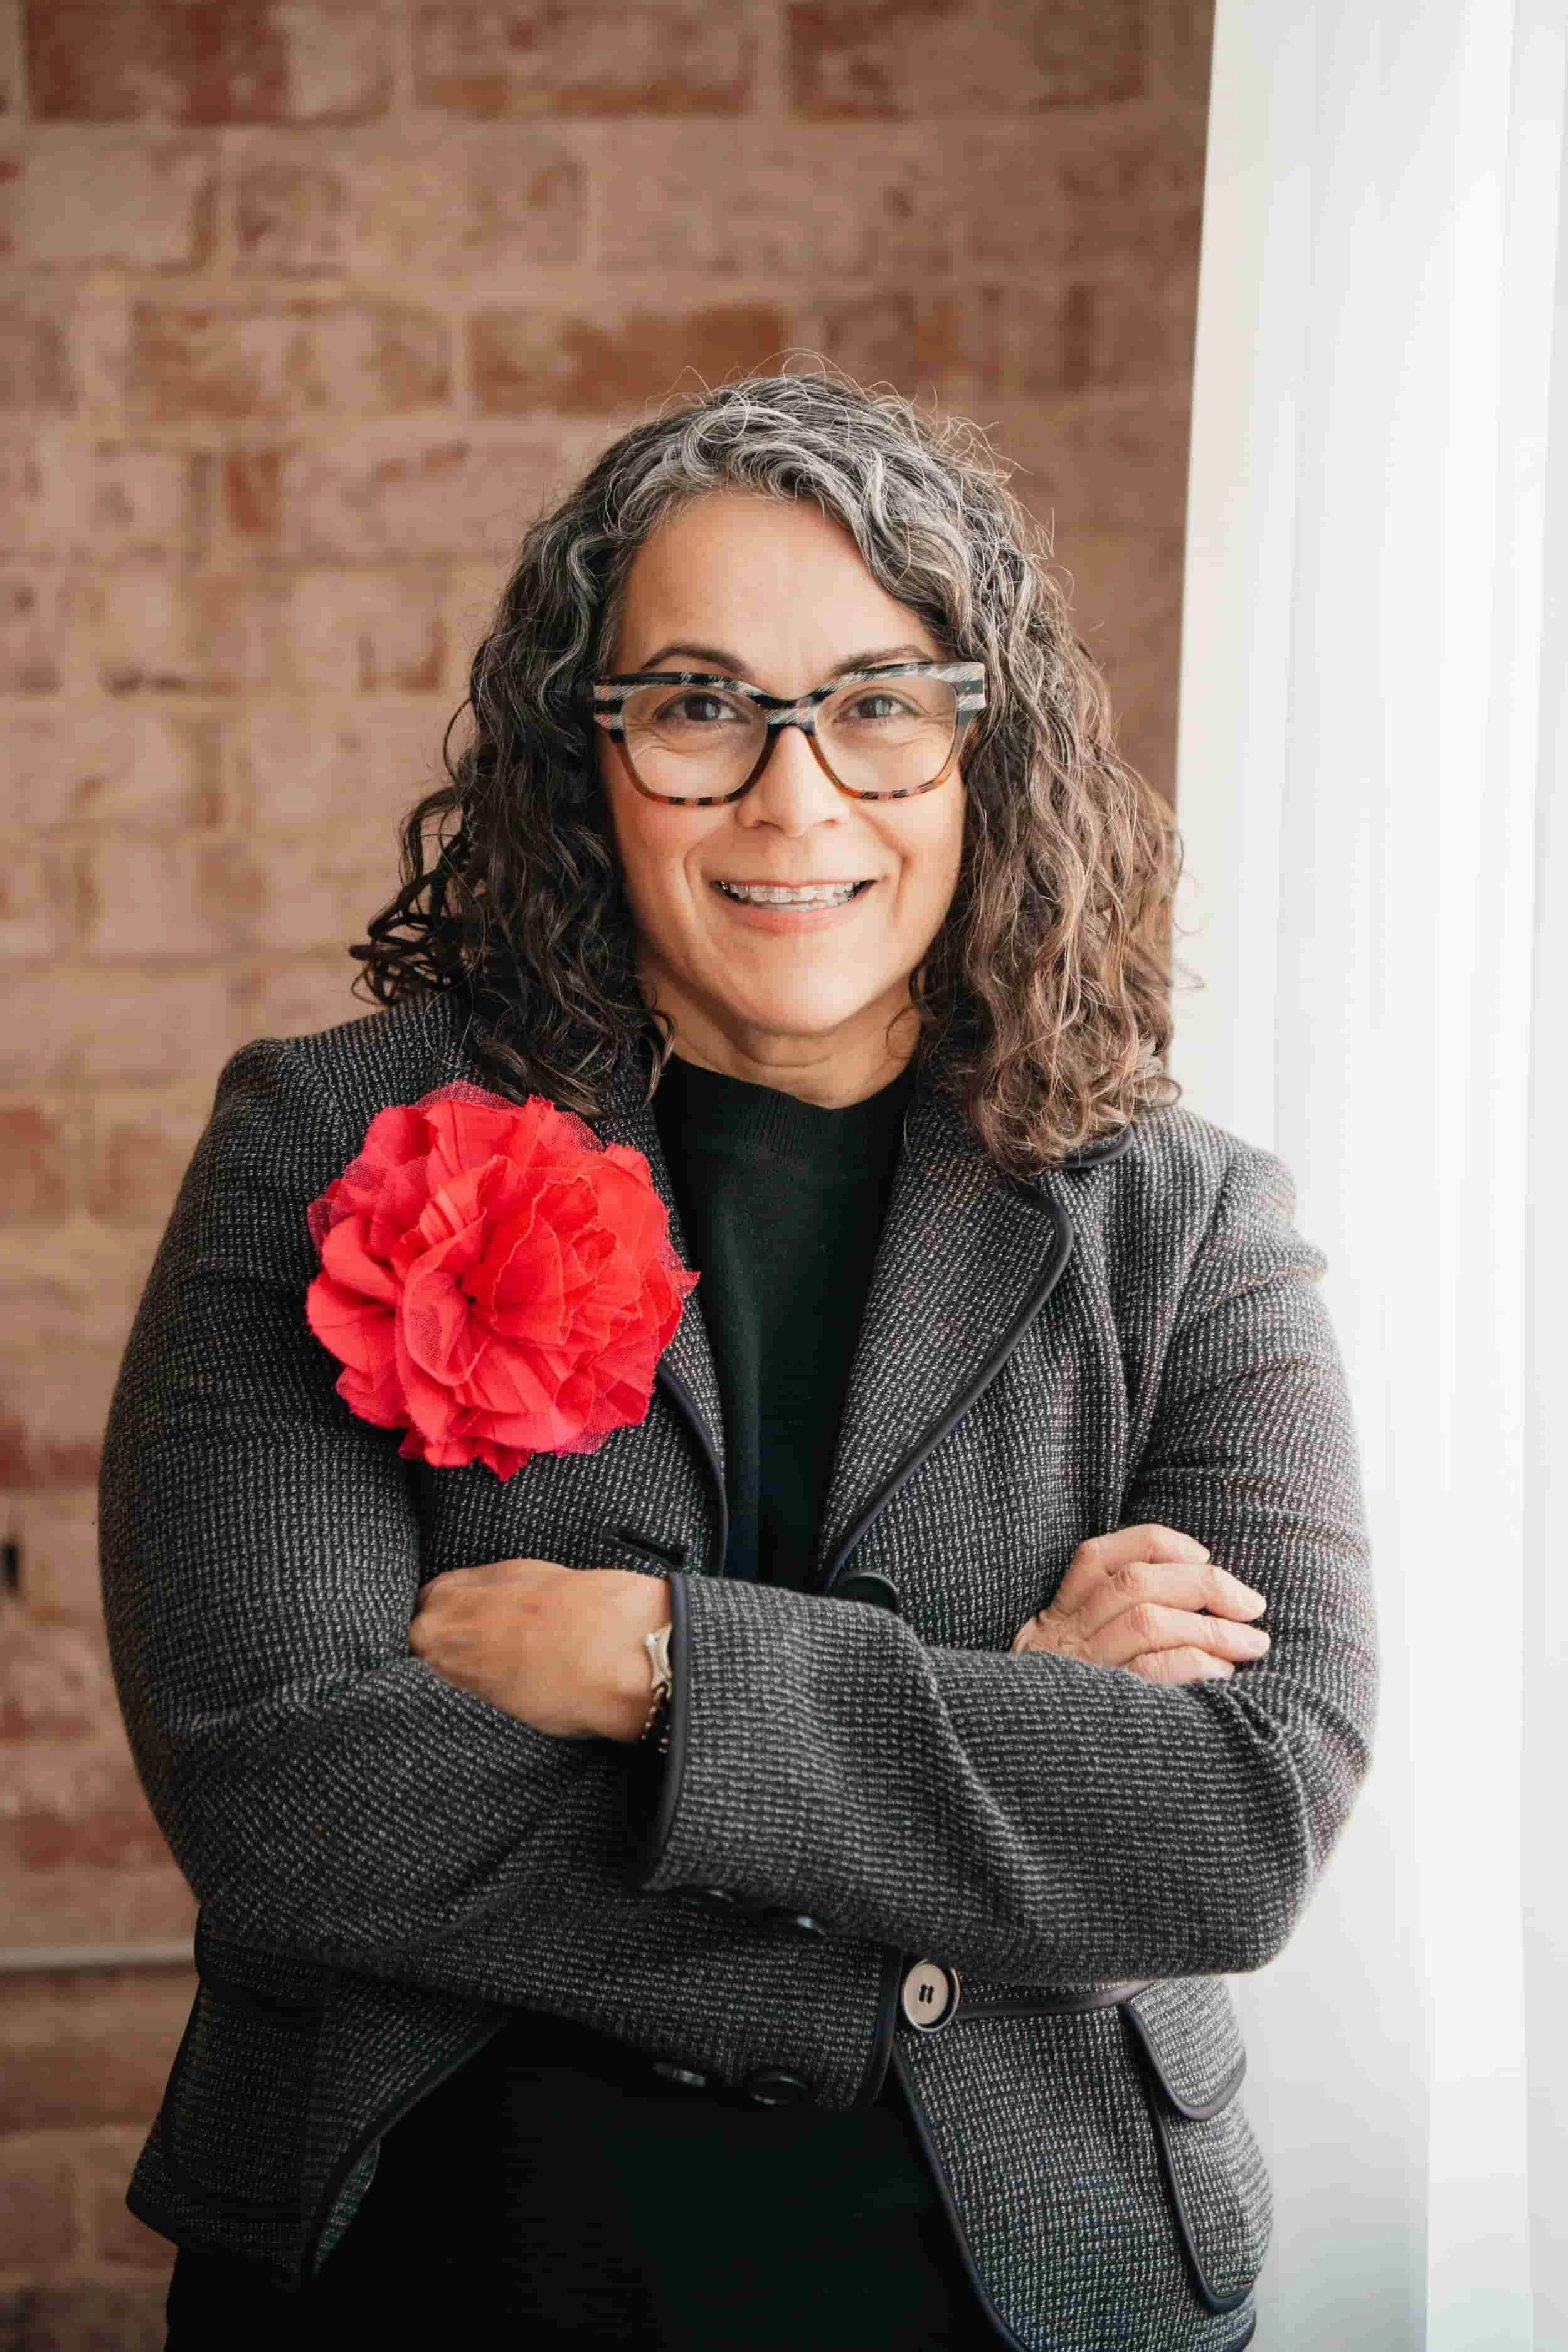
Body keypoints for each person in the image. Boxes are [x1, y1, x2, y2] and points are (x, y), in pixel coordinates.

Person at [100, 369, 1377, 2352]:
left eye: (876, 702)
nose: (795, 799)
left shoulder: (1189, 1222)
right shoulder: (328, 1142)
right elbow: (293, 1791)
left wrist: (660, 1660)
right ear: (584, 750)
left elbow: (1231, 1820)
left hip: (1013, 2275)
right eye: (700, 704)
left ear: (983, 750)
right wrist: (990, 1751)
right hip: (435, 2254)